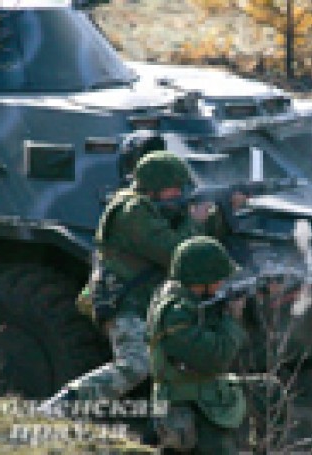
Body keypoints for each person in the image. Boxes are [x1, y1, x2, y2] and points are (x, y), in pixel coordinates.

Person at [39, 144, 217, 412]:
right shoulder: (131, 212)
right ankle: (61, 407)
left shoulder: (148, 207)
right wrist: (195, 221)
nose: (180, 194)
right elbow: (177, 254)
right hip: (124, 303)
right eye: (175, 189)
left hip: (144, 302)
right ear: (155, 189)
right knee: (135, 365)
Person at [148, 236, 248, 454]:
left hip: (199, 391)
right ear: (201, 280)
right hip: (186, 403)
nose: (222, 283)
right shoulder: (175, 316)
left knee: (270, 389)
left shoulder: (186, 298)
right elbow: (217, 358)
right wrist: (233, 317)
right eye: (218, 278)